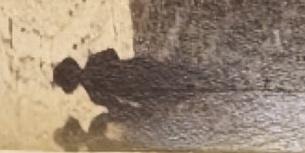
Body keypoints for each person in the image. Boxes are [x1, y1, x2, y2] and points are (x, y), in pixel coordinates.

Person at [51, 48, 197, 112]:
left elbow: (119, 106)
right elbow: (112, 53)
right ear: (73, 64)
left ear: (71, 86)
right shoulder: (93, 60)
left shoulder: (94, 95)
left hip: (139, 90)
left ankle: (197, 90)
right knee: (170, 72)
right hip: (138, 69)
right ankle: (198, 75)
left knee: (174, 92)